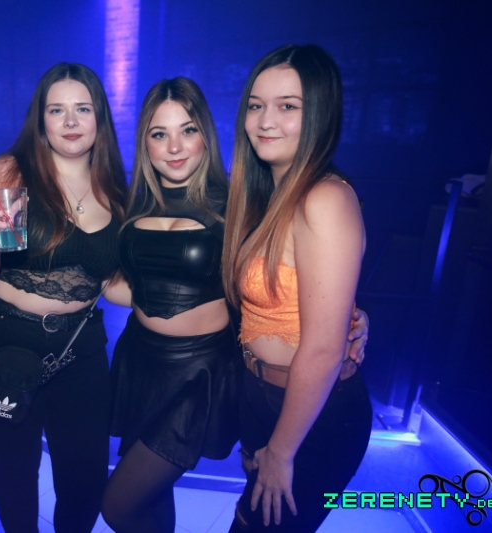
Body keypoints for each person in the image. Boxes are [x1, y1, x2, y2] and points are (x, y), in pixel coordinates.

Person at [101, 78, 370, 533]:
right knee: (151, 498)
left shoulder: (241, 205)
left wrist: (352, 314)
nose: (174, 147)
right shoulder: (135, 205)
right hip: (140, 364)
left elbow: (290, 277)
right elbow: (124, 285)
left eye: (188, 130)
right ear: (144, 143)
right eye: (159, 133)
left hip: (200, 374)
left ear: (207, 135)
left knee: (118, 506)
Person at [0, 63, 127, 533]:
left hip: (78, 352)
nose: (70, 121)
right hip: (2, 347)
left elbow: (110, 284)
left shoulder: (115, 188)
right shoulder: (12, 172)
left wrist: (174, 293)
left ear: (99, 117)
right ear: (41, 119)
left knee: (86, 482)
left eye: (82, 109)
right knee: (16, 474)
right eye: (57, 110)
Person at [221, 44, 373, 532]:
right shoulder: (271, 196)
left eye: (288, 106)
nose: (266, 121)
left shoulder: (324, 197)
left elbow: (324, 348)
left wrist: (282, 451)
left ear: (320, 115)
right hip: (263, 397)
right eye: (256, 105)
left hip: (313, 416)